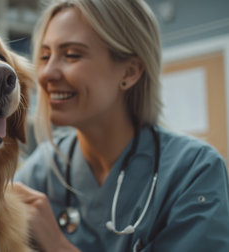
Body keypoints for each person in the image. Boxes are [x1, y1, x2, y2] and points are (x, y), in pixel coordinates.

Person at [13, 0, 229, 251]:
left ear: (130, 72)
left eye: (72, 55)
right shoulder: (42, 171)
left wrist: (57, 245)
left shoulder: (194, 171)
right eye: (44, 56)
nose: (47, 73)